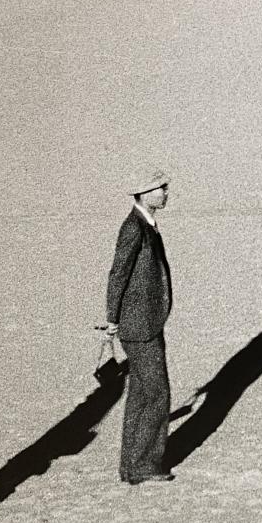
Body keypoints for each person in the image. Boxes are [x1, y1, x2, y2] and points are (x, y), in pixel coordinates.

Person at [105, 170, 175, 484]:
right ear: (145, 194)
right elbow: (118, 272)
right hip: (140, 325)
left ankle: (132, 464)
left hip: (145, 321)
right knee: (157, 393)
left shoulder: (144, 224)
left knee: (140, 394)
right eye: (161, 188)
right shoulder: (134, 227)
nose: (166, 192)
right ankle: (144, 464)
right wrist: (112, 317)